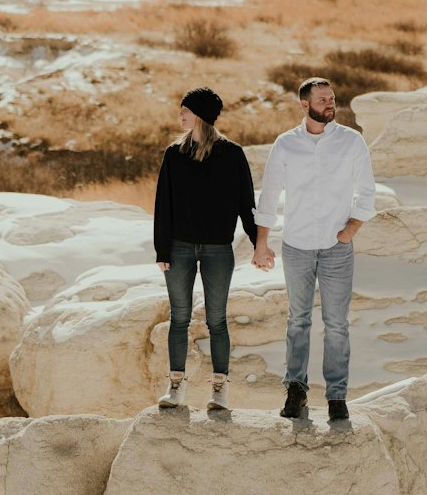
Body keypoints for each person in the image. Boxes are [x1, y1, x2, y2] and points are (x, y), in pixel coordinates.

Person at [252, 76, 376, 424]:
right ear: (305, 105)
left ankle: (337, 396)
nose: (330, 104)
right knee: (298, 321)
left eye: (332, 98)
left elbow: (367, 191)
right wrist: (262, 243)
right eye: (322, 100)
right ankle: (296, 390)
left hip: (337, 248)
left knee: (337, 324)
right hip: (297, 247)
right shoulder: (286, 145)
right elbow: (269, 195)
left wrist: (351, 230)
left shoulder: (351, 142)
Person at [153, 85, 264, 411]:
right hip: (179, 248)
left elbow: (247, 203)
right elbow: (164, 204)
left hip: (218, 249)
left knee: (217, 320)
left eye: (185, 109)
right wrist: (162, 250)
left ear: (199, 113)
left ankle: (219, 391)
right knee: (180, 318)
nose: (180, 115)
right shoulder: (174, 154)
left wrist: (259, 244)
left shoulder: (232, 154)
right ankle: (176, 387)